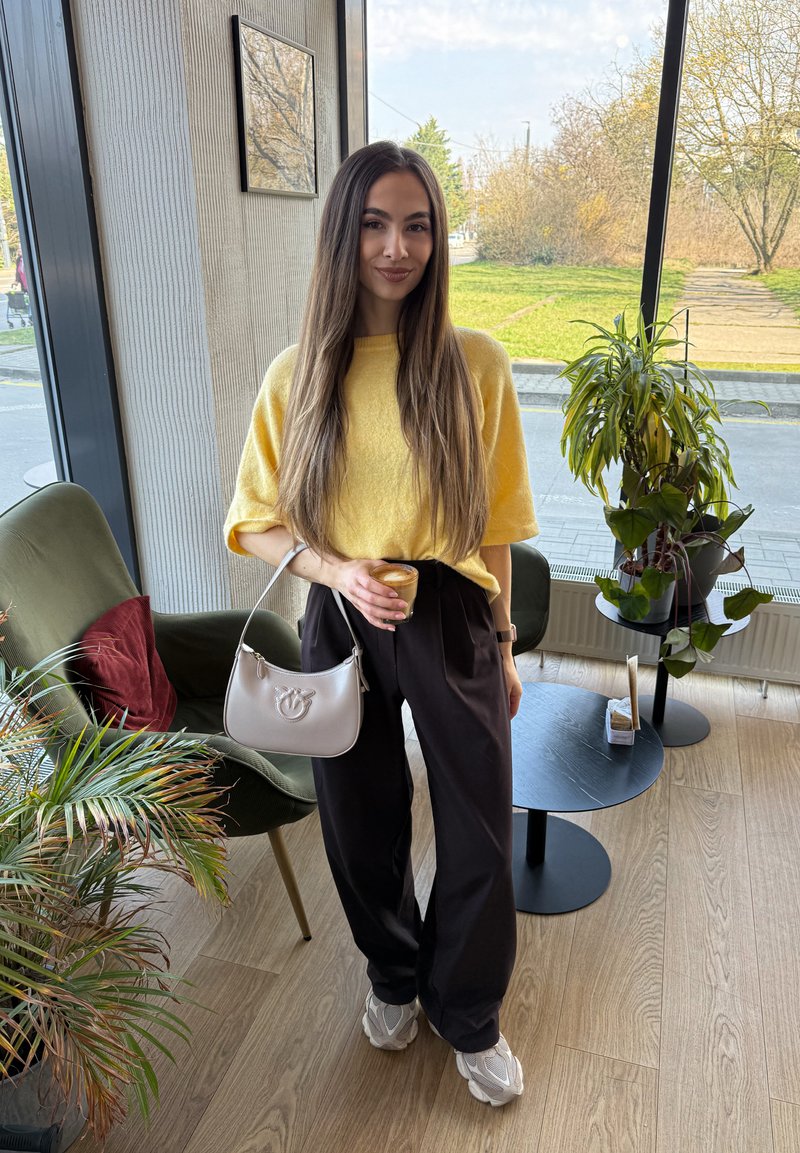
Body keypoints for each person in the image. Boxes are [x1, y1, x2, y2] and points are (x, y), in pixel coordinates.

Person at [224, 140, 537, 1107]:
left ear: (437, 240)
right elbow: (254, 522)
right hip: (342, 616)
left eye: (417, 226)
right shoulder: (297, 376)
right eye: (373, 224)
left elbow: (495, 528)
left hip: (450, 612)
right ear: (342, 236)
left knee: (480, 828)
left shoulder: (474, 365)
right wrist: (337, 571)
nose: (396, 247)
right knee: (360, 822)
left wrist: (504, 643)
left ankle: (469, 1011)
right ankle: (394, 974)